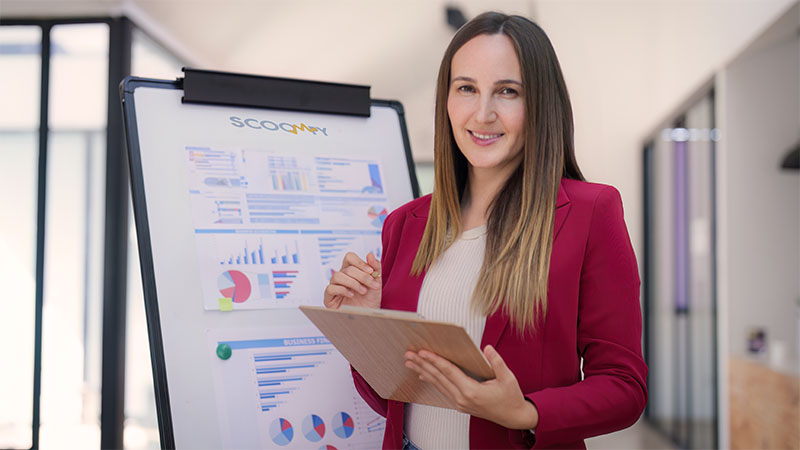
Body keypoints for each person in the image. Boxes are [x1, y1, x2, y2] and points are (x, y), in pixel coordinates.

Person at [323, 11, 647, 450]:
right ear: (447, 100)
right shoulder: (405, 225)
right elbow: (395, 402)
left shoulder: (590, 213)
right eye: (467, 88)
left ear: (540, 104)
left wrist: (525, 413)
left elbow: (625, 387)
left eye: (508, 91)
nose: (483, 113)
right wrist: (366, 326)